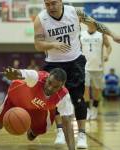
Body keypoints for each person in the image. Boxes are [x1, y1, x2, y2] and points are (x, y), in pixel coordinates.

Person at [33, 0, 120, 148]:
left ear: (61, 2)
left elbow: (95, 23)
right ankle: (60, 131)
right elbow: (38, 45)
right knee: (53, 98)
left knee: (78, 98)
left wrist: (112, 34)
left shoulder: (74, 12)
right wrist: (53, 44)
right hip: (53, 62)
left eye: (53, 3)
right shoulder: (41, 19)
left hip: (75, 61)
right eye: (47, 4)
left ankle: (81, 135)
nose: (51, 7)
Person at [0, 67, 75, 150]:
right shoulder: (36, 77)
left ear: (62, 86)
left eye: (55, 87)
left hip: (38, 108)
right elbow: (21, 73)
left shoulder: (64, 96)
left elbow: (67, 125)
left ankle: (30, 127)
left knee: (32, 136)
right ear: (48, 77)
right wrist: (14, 73)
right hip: (17, 97)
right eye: (49, 83)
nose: (50, 88)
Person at [80, 25, 112, 120]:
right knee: (85, 89)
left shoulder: (101, 35)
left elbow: (109, 46)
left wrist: (107, 54)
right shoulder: (81, 34)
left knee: (97, 90)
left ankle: (95, 108)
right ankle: (88, 110)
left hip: (98, 67)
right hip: (85, 66)